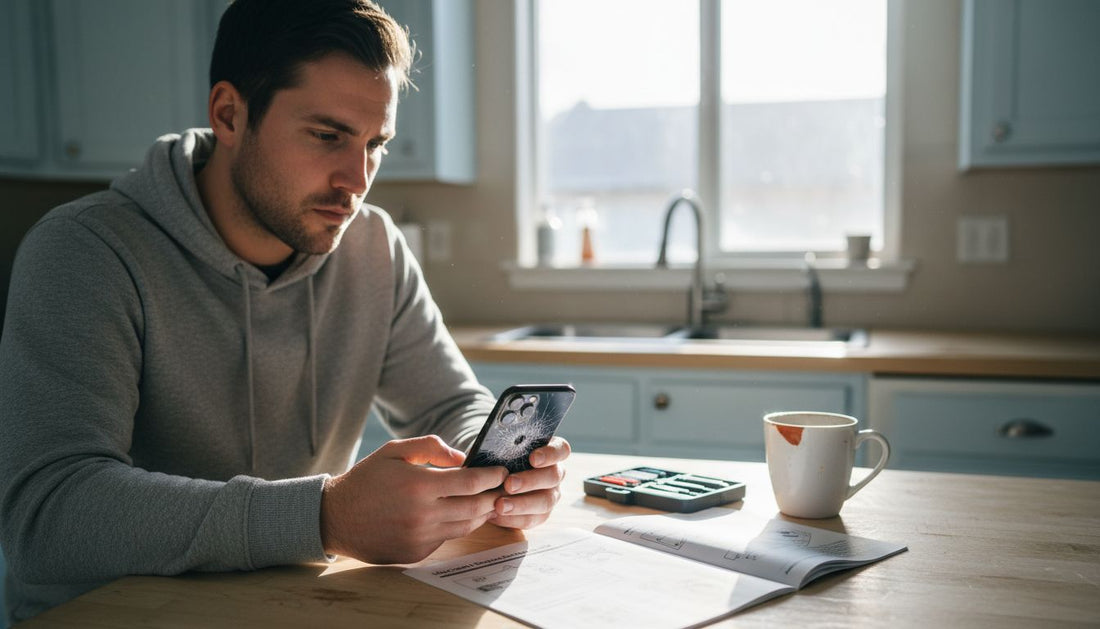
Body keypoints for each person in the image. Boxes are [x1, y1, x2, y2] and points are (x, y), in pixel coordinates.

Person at [0, 0, 570, 622]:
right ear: (229, 114)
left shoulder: (373, 247)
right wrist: (325, 515)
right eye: (327, 136)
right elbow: (48, 511)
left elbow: (450, 405)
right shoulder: (85, 251)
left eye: (375, 143)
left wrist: (495, 471)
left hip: (290, 606)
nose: (357, 178)